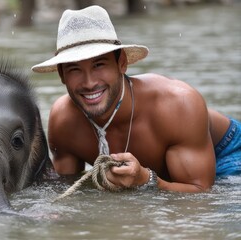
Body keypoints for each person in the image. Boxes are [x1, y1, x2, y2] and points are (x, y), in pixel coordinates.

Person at [31, 5, 240, 193]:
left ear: (121, 63)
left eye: (99, 65)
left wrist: (145, 180)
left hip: (225, 152)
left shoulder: (177, 103)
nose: (89, 83)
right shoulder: (63, 121)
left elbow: (201, 194)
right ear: (61, 75)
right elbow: (69, 191)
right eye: (75, 69)